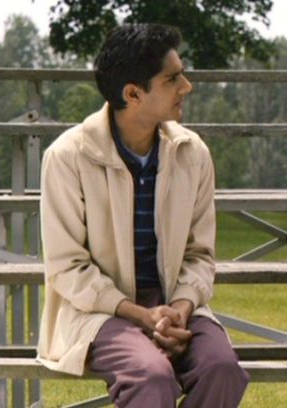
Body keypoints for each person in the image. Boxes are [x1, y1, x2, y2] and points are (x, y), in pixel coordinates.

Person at [37, 23, 248, 407]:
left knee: (223, 370)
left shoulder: (193, 153)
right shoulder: (66, 158)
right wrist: (140, 315)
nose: (187, 86)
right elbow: (67, 267)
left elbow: (200, 255)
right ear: (133, 93)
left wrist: (179, 309)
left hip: (177, 306)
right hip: (99, 311)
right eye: (173, 79)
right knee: (151, 376)